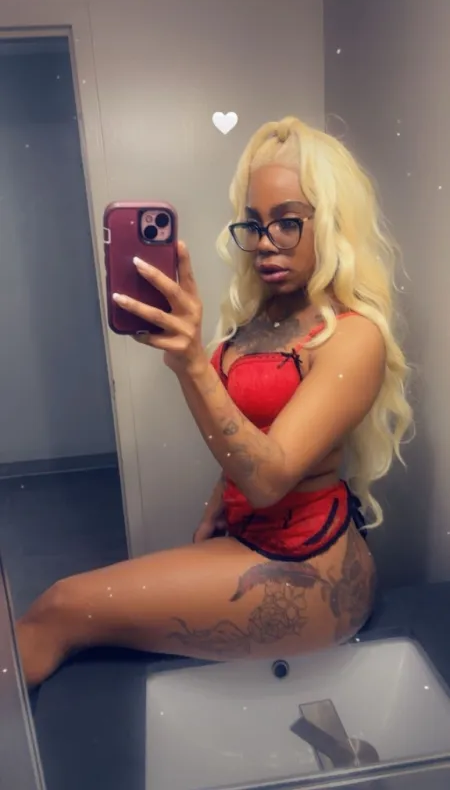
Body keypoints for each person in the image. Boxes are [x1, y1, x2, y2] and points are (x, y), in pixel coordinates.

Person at [16, 116, 413, 688]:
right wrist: (217, 503)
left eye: (288, 222)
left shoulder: (354, 336)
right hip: (253, 543)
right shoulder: (263, 317)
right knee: (59, 608)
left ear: (332, 223)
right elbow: (259, 426)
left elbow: (270, 478)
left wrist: (193, 364)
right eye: (254, 224)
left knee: (60, 609)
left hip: (311, 570)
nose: (265, 242)